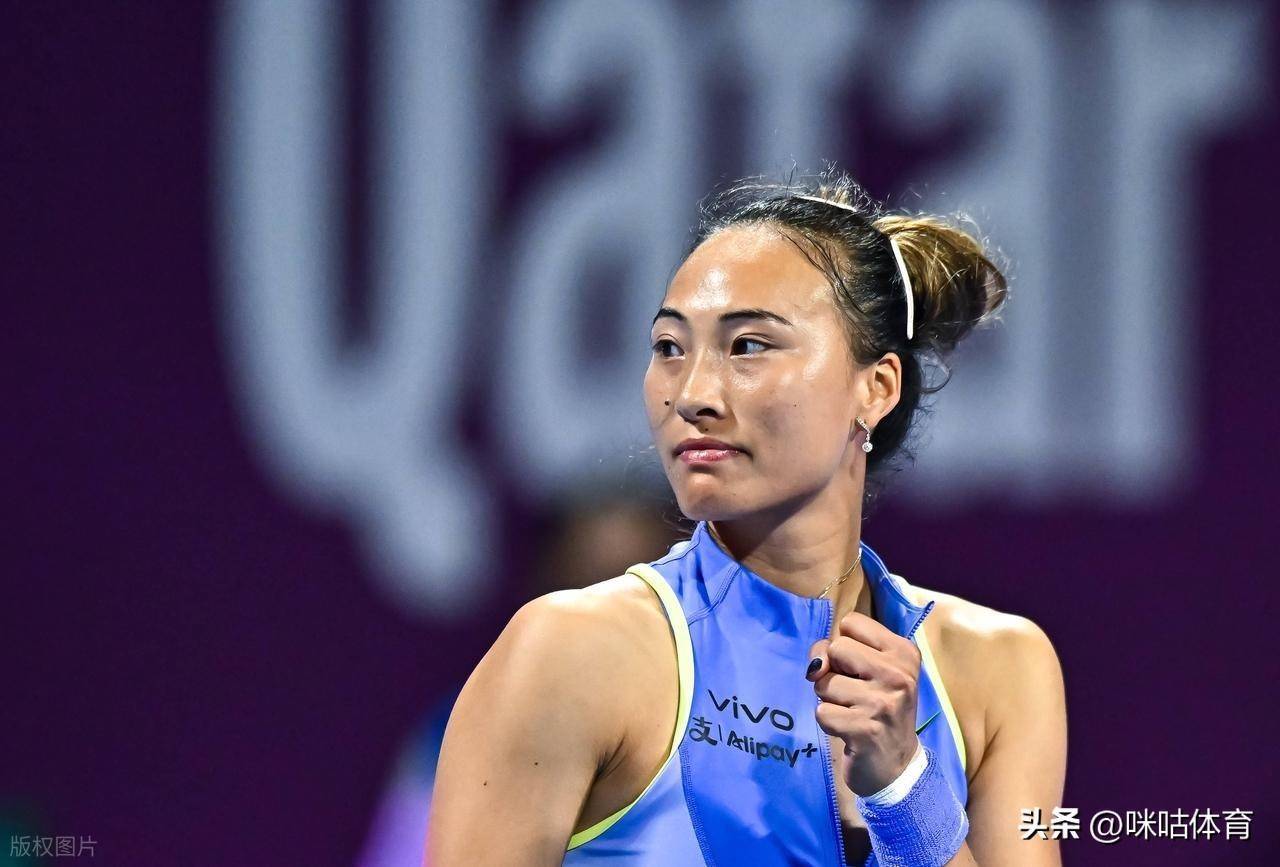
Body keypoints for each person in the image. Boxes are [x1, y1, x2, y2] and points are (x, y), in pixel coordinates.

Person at [425, 170, 1068, 866]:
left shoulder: (1003, 667)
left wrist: (904, 788)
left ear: (876, 387)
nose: (692, 394)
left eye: (749, 345)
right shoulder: (568, 652)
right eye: (670, 348)